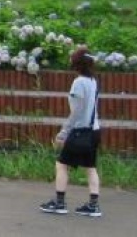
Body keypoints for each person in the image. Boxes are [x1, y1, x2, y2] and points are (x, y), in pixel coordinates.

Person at [40, 46, 102, 217]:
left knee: (61, 165)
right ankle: (93, 206)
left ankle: (59, 203)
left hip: (80, 131)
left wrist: (63, 133)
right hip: (95, 131)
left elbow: (76, 111)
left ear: (76, 64)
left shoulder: (79, 82)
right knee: (90, 167)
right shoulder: (93, 81)